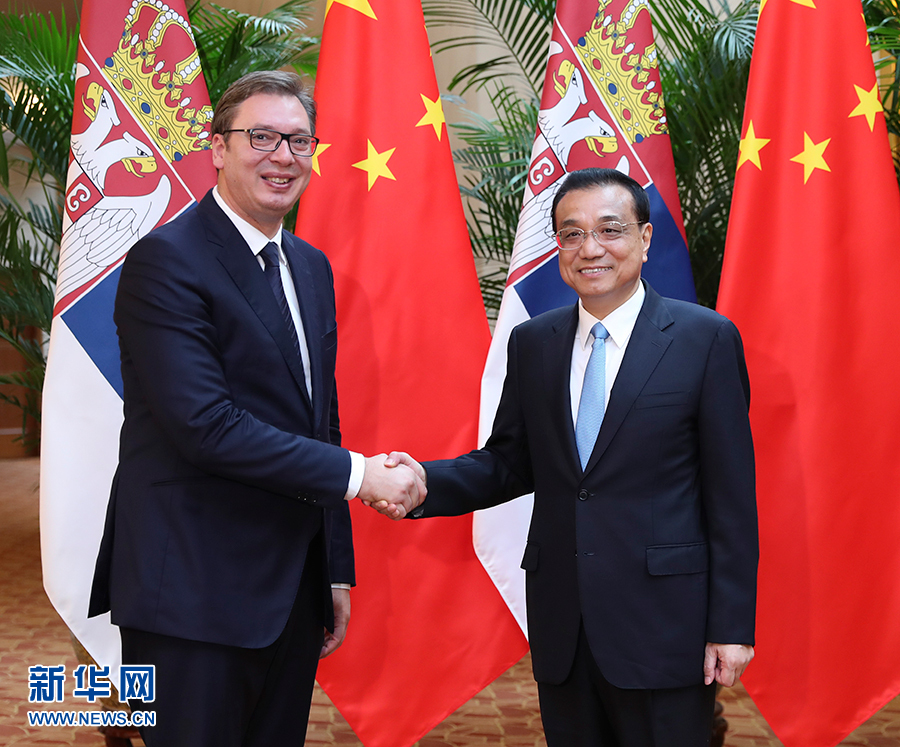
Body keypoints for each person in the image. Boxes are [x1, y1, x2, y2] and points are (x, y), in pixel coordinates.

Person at [88, 71, 424, 747]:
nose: (283, 156)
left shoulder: (310, 266)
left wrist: (332, 567)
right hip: (192, 593)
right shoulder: (166, 260)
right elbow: (205, 426)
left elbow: (320, 421)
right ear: (218, 148)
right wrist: (362, 476)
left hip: (291, 588)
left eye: (299, 141)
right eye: (262, 137)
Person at [373, 168, 758, 747]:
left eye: (609, 230)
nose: (590, 248)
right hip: (564, 624)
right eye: (572, 233)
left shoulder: (705, 339)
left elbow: (731, 497)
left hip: (665, 626)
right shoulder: (534, 343)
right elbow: (508, 463)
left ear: (645, 238)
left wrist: (730, 626)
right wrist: (423, 480)